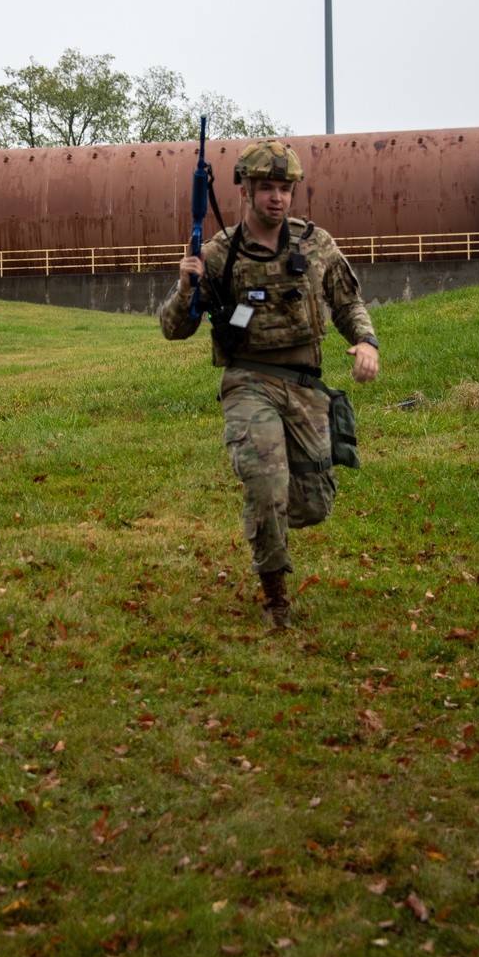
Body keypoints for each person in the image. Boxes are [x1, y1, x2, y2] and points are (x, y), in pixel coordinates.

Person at [159, 140, 379, 628]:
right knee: (265, 481)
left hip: (304, 383)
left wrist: (367, 341)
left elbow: (347, 302)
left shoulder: (315, 243)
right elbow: (174, 328)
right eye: (267, 189)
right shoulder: (219, 252)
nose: (277, 198)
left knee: (312, 504)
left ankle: (277, 524)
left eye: (285, 189)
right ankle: (276, 594)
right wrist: (186, 286)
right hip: (248, 380)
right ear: (246, 191)